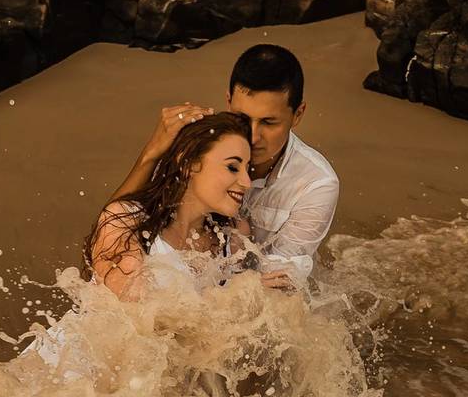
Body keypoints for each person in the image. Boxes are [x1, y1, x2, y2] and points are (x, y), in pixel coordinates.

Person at [110, 44, 339, 290]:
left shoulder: (317, 184)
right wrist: (152, 153)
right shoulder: (201, 147)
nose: (252, 137)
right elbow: (120, 222)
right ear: (228, 101)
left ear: (298, 114)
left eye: (268, 122)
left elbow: (279, 282)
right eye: (242, 118)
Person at [84, 111, 254, 300]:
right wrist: (235, 299)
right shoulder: (123, 220)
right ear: (189, 163)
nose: (247, 182)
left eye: (248, 168)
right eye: (232, 167)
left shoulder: (233, 238)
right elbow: (134, 312)